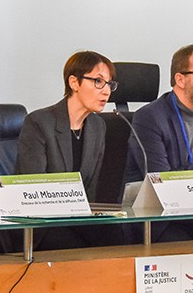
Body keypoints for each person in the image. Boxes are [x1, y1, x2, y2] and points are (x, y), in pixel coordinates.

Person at [15, 50, 123, 249]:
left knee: (118, 234)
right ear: (74, 83)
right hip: (42, 223)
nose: (106, 91)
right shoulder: (39, 122)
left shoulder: (98, 126)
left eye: (109, 84)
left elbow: (90, 189)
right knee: (72, 245)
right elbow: (33, 184)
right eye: (98, 82)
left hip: (76, 217)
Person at [123, 44, 193, 240]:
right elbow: (161, 180)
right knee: (187, 248)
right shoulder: (149, 117)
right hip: (159, 220)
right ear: (180, 79)